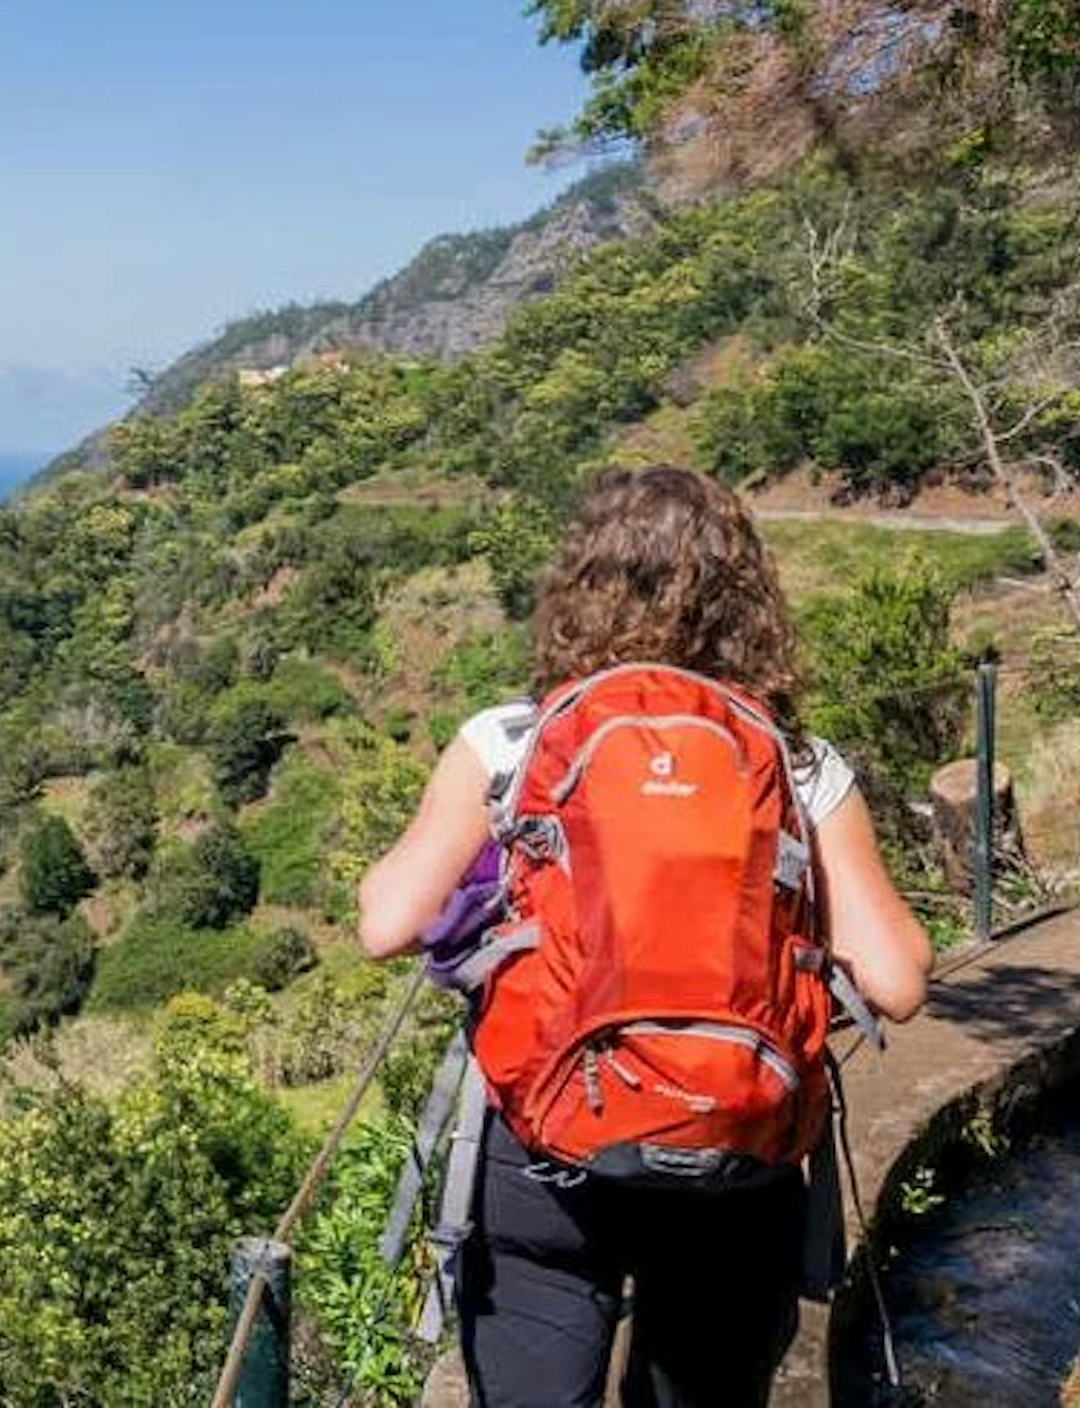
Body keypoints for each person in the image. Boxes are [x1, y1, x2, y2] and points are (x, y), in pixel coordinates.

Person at [357, 466, 932, 1408]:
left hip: (548, 1147)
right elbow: (899, 982)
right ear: (746, 601)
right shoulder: (796, 762)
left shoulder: (511, 740)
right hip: (740, 1152)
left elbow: (388, 923)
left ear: (580, 589)